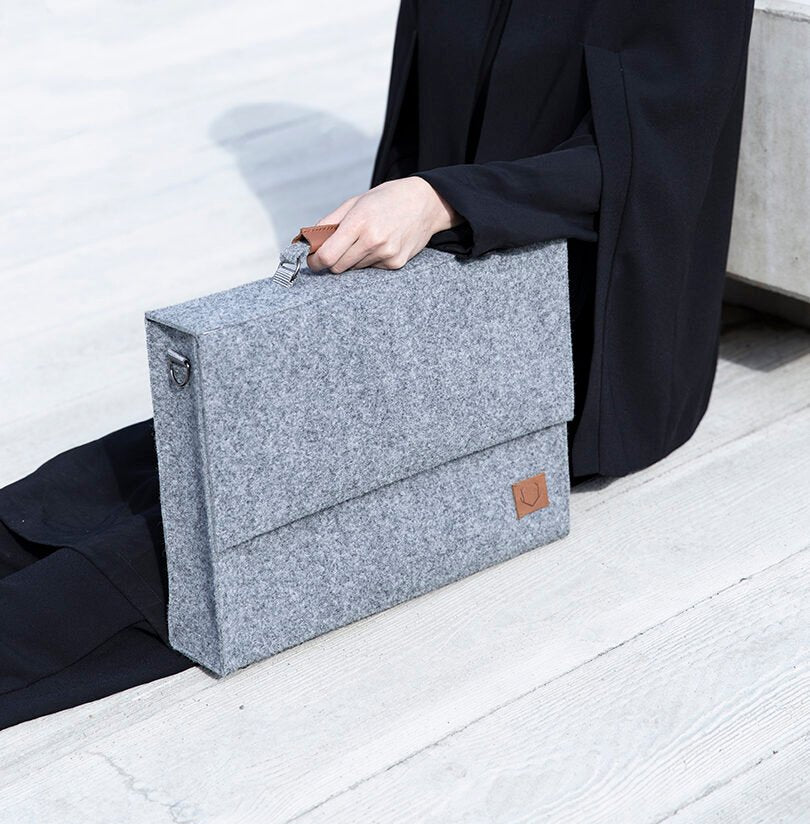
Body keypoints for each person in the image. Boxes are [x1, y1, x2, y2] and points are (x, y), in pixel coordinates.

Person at [0, 0, 755, 729]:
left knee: (229, 532)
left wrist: (442, 200)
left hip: (588, 343)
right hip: (436, 290)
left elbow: (658, 154)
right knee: (195, 437)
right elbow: (412, 132)